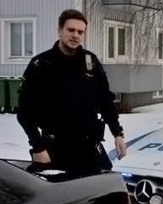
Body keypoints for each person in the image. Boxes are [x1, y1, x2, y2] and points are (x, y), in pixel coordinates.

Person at [17, 9, 127, 174]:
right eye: (71, 30)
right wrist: (38, 147)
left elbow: (106, 101)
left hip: (88, 148)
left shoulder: (90, 63)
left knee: (102, 190)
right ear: (59, 30)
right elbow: (25, 112)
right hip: (55, 149)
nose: (76, 35)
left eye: (80, 31)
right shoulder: (41, 65)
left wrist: (117, 133)